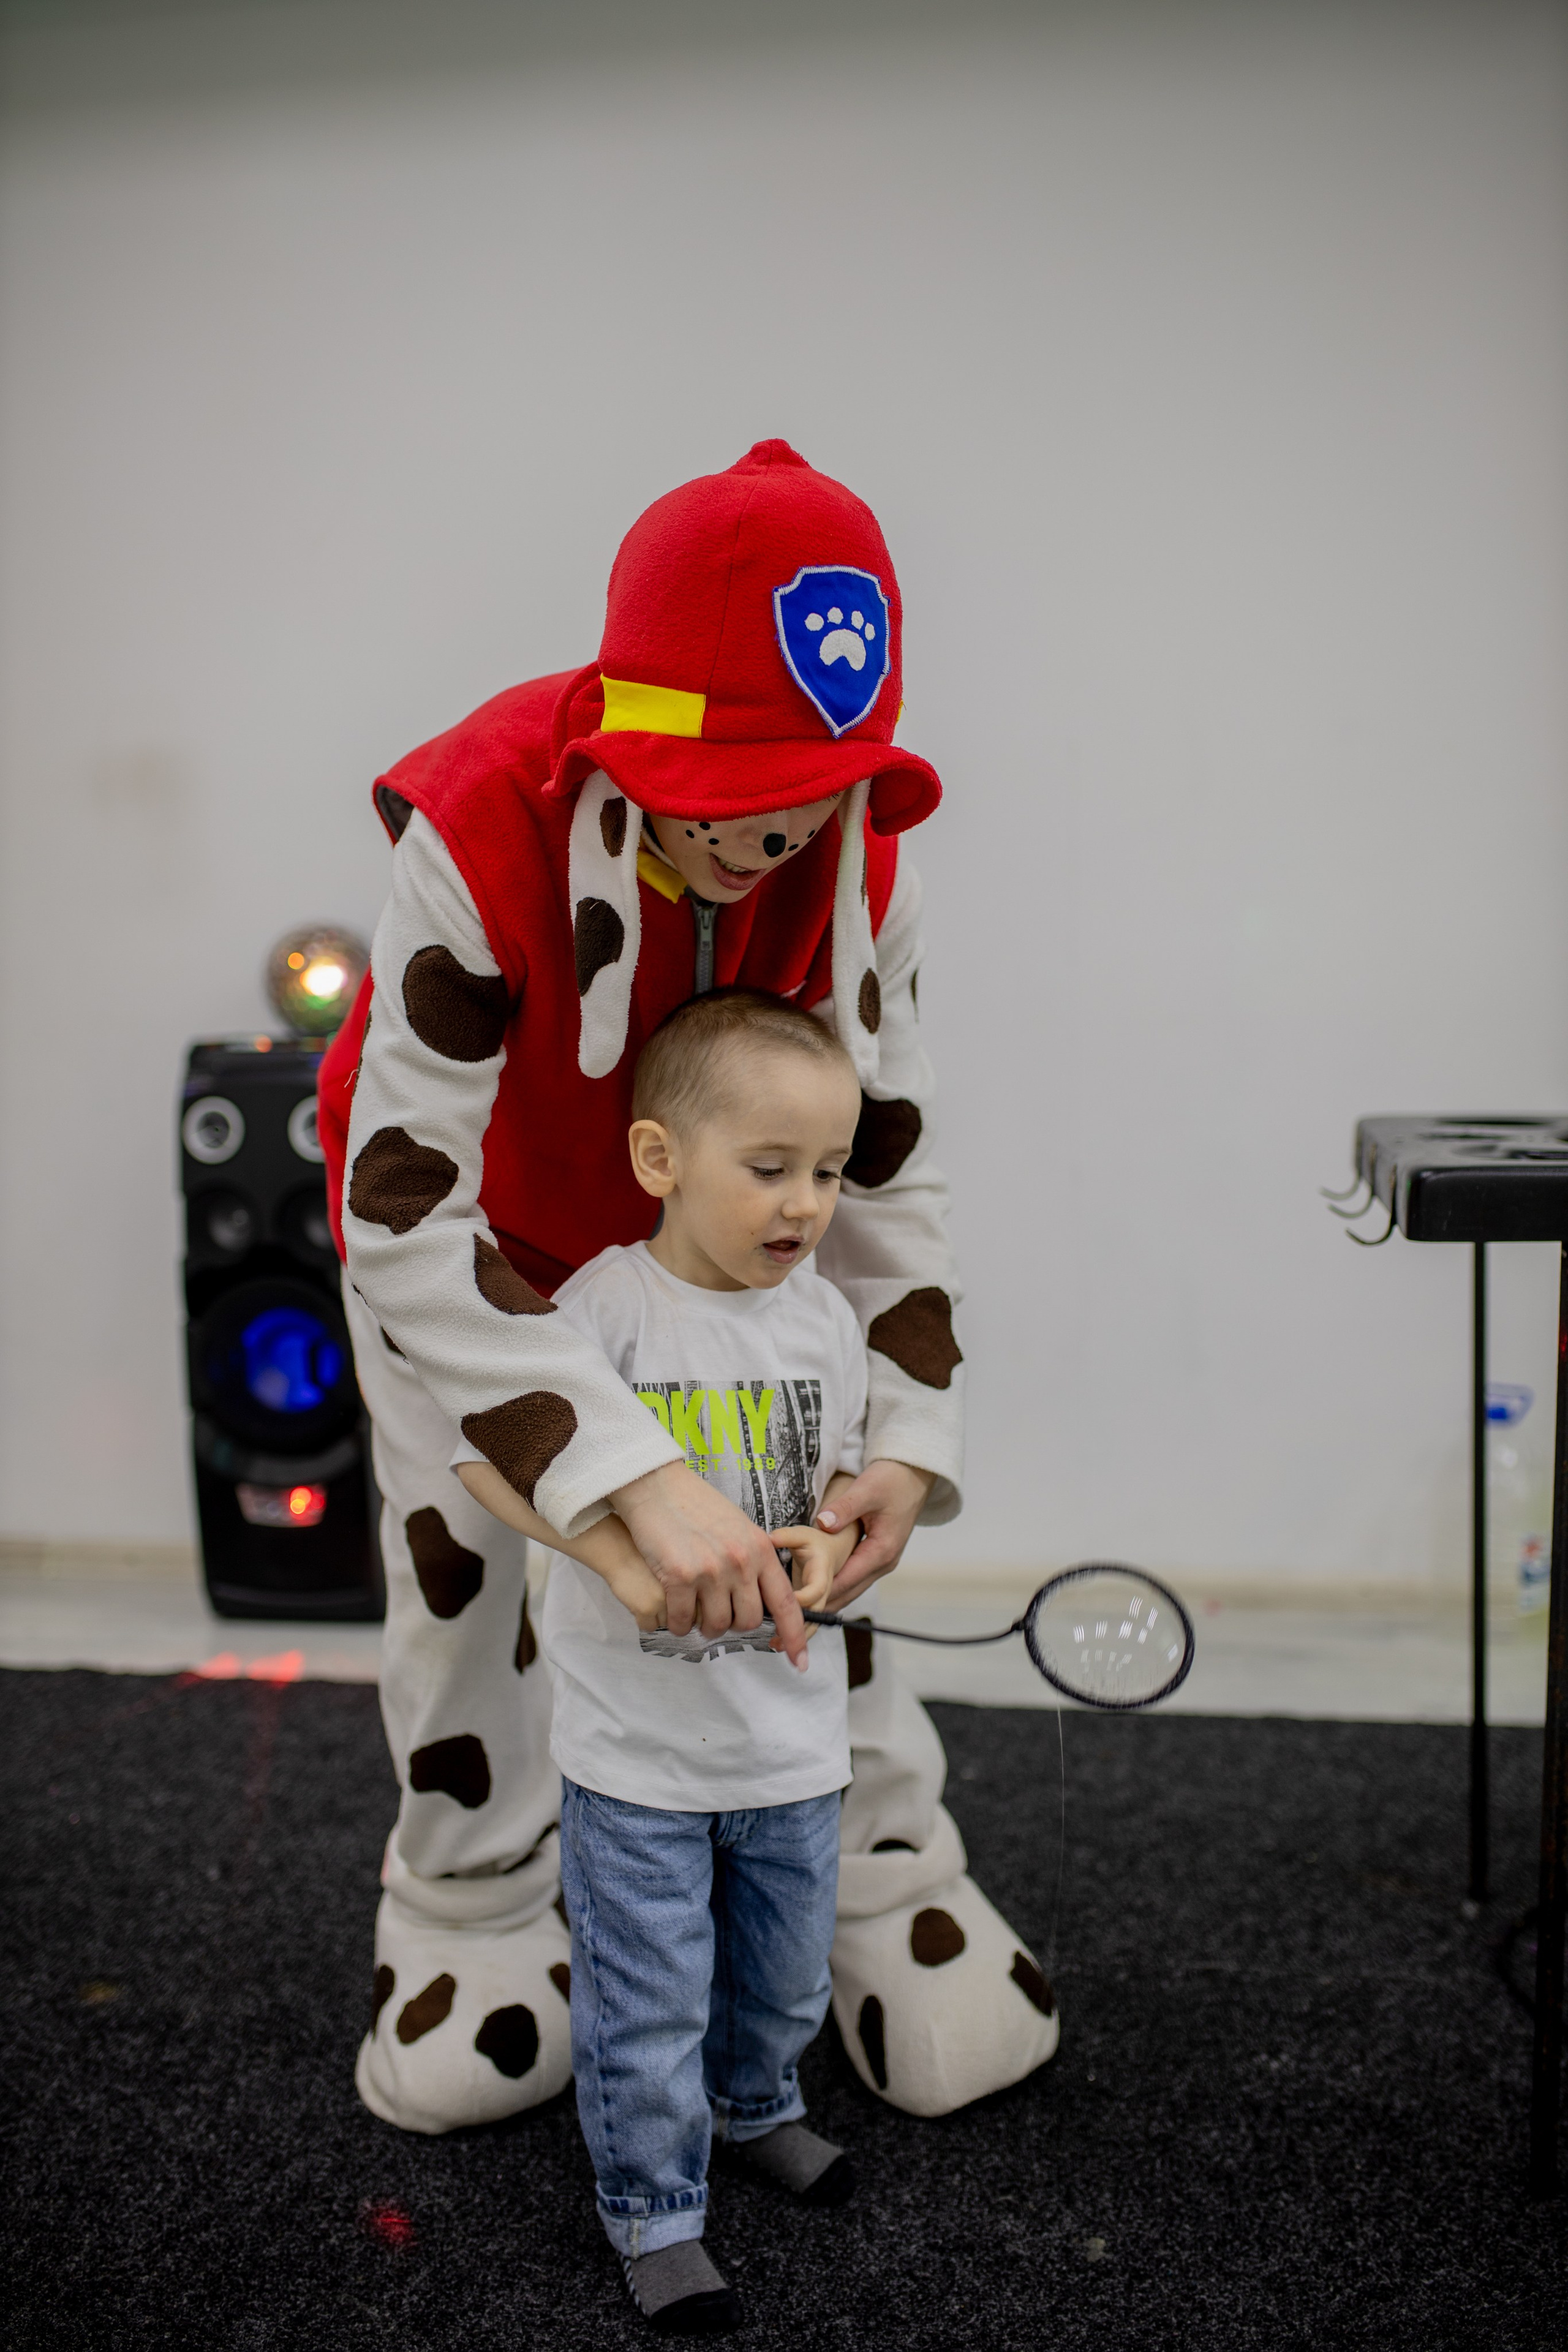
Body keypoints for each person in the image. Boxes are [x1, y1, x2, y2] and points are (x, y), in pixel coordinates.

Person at [318, 437, 1058, 2141]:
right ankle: (473, 1906)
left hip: (721, 1225)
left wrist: (905, 1443)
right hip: (469, 1226)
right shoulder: (482, 821)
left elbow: (887, 1171)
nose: (778, 833)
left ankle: (873, 1865)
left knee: (807, 1521)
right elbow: (411, 1214)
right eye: (735, 794)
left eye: (810, 783)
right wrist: (624, 1480)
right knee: (466, 1568)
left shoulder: (867, 857)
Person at [456, 987, 870, 2333]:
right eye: (768, 1169)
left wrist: (828, 1550)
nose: (802, 1205)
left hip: (792, 1744)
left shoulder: (828, 1324)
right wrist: (617, 1560)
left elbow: (838, 1494)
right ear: (659, 1162)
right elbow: (484, 1459)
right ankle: (652, 2207)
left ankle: (758, 2109)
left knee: (785, 1975)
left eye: (826, 1171)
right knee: (646, 2003)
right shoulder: (603, 1314)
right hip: (635, 1759)